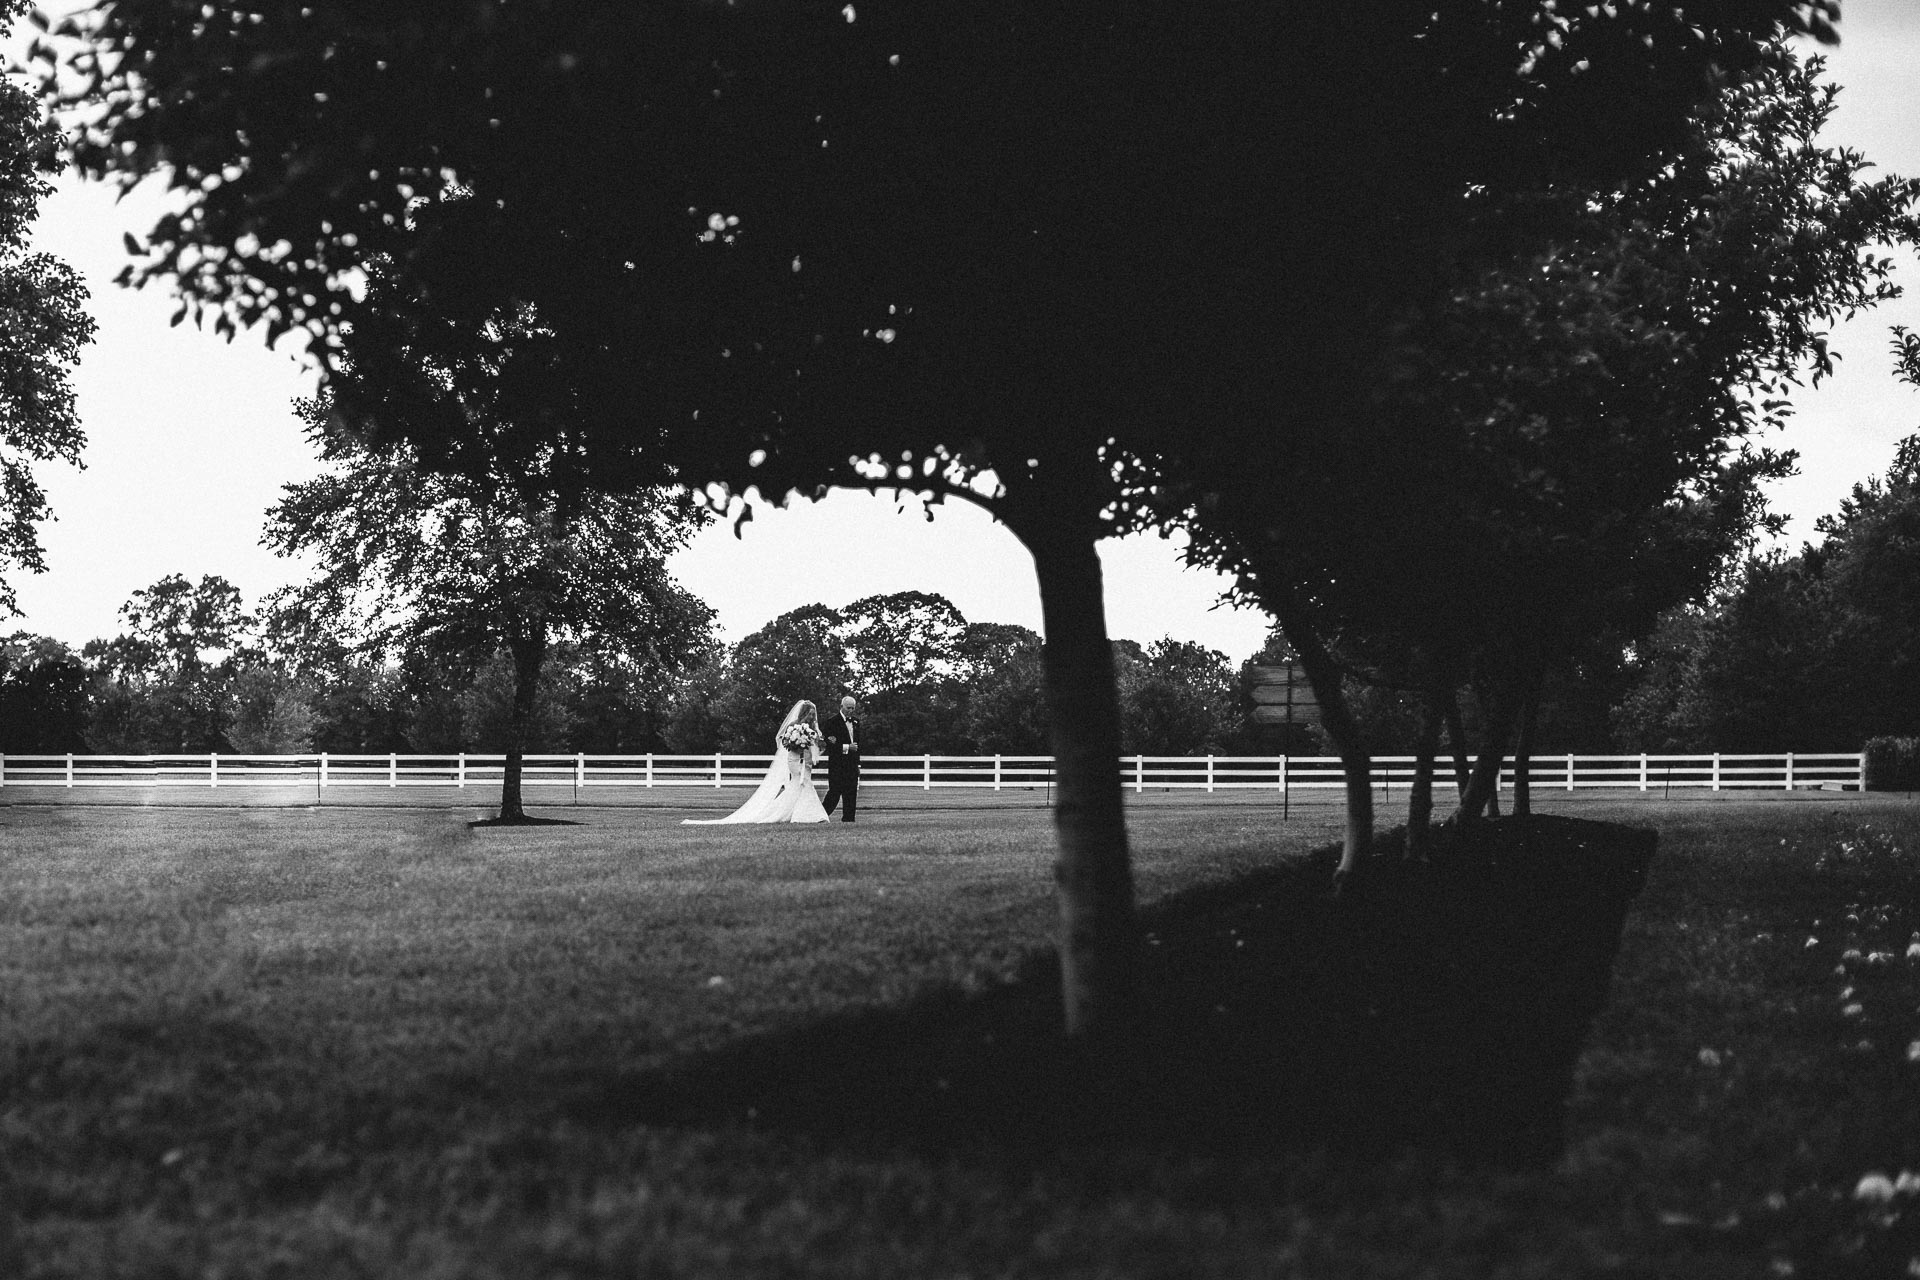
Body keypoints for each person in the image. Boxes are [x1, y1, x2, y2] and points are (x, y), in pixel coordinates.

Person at [682, 700, 830, 824]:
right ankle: (810, 815)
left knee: (800, 785)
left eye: (813, 714)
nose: (812, 717)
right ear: (804, 713)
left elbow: (819, 745)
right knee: (803, 783)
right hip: (795, 759)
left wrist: (817, 744)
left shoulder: (813, 728)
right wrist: (798, 744)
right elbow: (785, 743)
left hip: (807, 762)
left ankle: (799, 813)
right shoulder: (793, 726)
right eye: (810, 714)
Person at [821, 695, 862, 823]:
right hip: (837, 765)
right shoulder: (831, 722)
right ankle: (821, 816)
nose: (850, 711)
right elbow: (830, 745)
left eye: (853, 708)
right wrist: (847, 747)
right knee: (834, 793)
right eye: (848, 708)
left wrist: (858, 765)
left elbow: (858, 746)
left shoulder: (856, 722)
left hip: (852, 765)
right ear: (841, 707)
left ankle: (849, 820)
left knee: (851, 794)